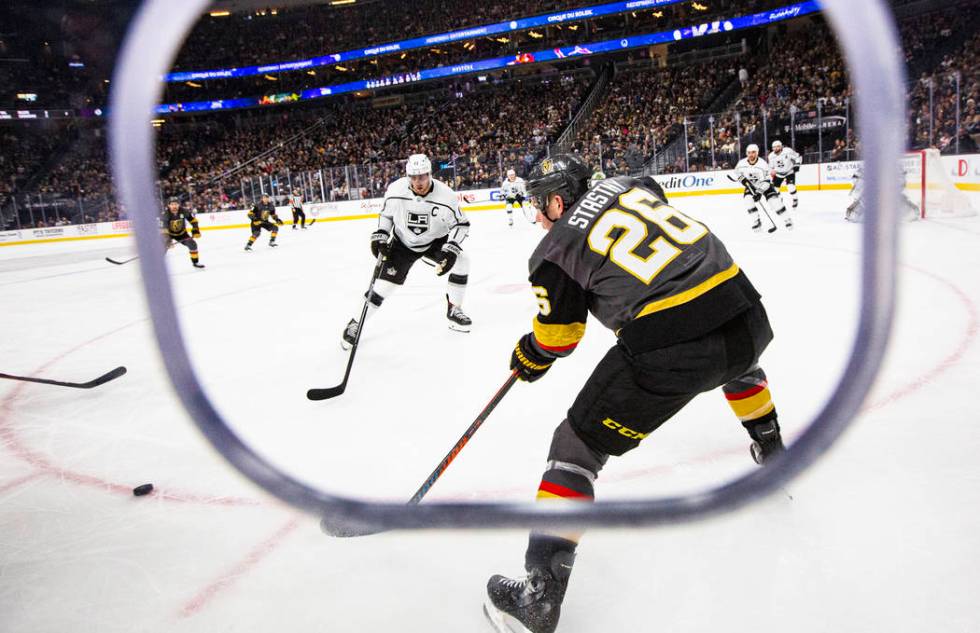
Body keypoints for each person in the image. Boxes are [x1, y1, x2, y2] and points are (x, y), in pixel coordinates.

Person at [484, 154, 785, 633]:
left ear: (558, 202)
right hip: (747, 313)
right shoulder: (632, 183)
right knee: (737, 362)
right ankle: (773, 452)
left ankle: (539, 596)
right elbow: (653, 208)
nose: (537, 216)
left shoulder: (553, 251)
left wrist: (529, 354)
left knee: (576, 446)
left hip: (676, 346)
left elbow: (559, 338)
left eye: (539, 206)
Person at [340, 154, 472, 349]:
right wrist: (381, 235)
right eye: (414, 177)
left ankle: (454, 309)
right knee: (383, 287)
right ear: (408, 176)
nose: (418, 182)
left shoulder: (446, 195)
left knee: (462, 260)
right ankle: (355, 323)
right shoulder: (395, 190)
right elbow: (386, 215)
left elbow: (462, 224)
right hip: (403, 244)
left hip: (435, 241)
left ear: (430, 174)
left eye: (423, 176)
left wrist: (451, 248)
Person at [734, 144, 792, 231]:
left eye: (753, 152)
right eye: (749, 153)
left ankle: (787, 219)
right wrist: (743, 180)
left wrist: (759, 192)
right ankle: (756, 221)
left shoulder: (763, 164)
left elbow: (767, 182)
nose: (751, 155)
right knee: (748, 200)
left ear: (757, 153)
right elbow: (737, 172)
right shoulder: (741, 163)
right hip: (751, 185)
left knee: (774, 201)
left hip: (764, 185)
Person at [161, 197, 204, 269]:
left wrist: (195, 230)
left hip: (182, 234)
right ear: (168, 205)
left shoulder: (184, 211)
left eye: (176, 204)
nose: (174, 206)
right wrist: (167, 240)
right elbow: (164, 229)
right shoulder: (165, 214)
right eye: (172, 204)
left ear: (179, 204)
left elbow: (193, 221)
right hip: (169, 234)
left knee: (192, 244)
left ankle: (195, 262)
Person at [768, 140, 803, 210]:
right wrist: (771, 171)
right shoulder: (771, 156)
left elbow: (798, 157)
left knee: (790, 186)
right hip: (778, 174)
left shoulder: (788, 151)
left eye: (777, 147)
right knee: (775, 190)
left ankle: (795, 199)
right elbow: (771, 167)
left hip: (789, 171)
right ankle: (779, 199)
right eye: (774, 147)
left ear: (781, 146)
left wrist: (797, 164)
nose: (776, 148)